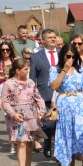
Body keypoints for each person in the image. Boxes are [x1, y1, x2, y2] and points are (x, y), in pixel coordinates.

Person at [1, 59, 47, 166]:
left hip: (31, 117)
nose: (28, 71)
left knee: (28, 144)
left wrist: (42, 110)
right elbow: (5, 101)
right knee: (21, 142)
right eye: (26, 69)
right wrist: (13, 114)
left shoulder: (31, 82)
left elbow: (39, 98)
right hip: (18, 118)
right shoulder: (8, 84)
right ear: (17, 70)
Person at [29, 29, 57, 158]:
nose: (53, 39)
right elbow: (32, 78)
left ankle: (58, 150)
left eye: (54, 37)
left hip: (61, 93)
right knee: (48, 123)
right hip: (44, 94)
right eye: (50, 37)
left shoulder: (63, 54)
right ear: (43, 40)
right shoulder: (36, 56)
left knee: (60, 123)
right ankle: (47, 140)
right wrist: (32, 97)